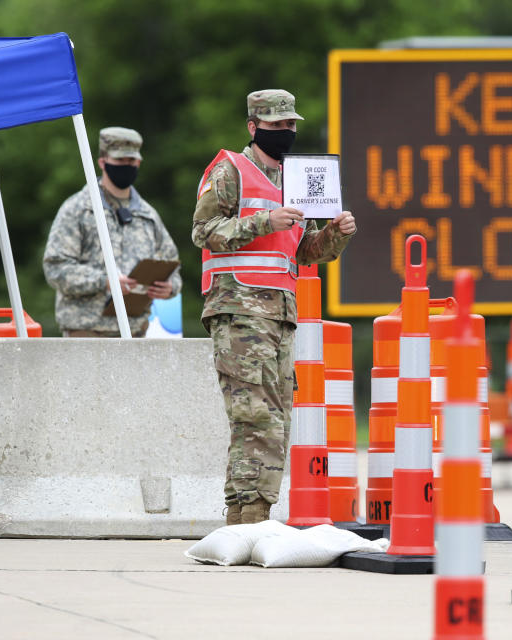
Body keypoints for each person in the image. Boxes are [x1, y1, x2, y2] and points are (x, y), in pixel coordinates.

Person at [192, 89, 356, 526]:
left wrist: (337, 233)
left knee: (276, 417)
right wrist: (266, 220)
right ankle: (246, 517)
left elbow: (303, 251)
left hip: (279, 315)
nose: (286, 132)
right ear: (253, 126)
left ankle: (254, 515)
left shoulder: (293, 178)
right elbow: (203, 231)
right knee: (254, 416)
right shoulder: (231, 170)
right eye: (276, 125)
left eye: (290, 125)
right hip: (238, 309)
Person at [43, 127, 181, 337]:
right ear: (102, 162)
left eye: (131, 161)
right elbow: (55, 268)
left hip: (135, 332)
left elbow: (172, 266)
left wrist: (170, 288)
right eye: (120, 161)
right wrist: (105, 281)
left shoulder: (148, 215)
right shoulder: (78, 209)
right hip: (86, 331)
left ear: (139, 163)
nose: (127, 166)